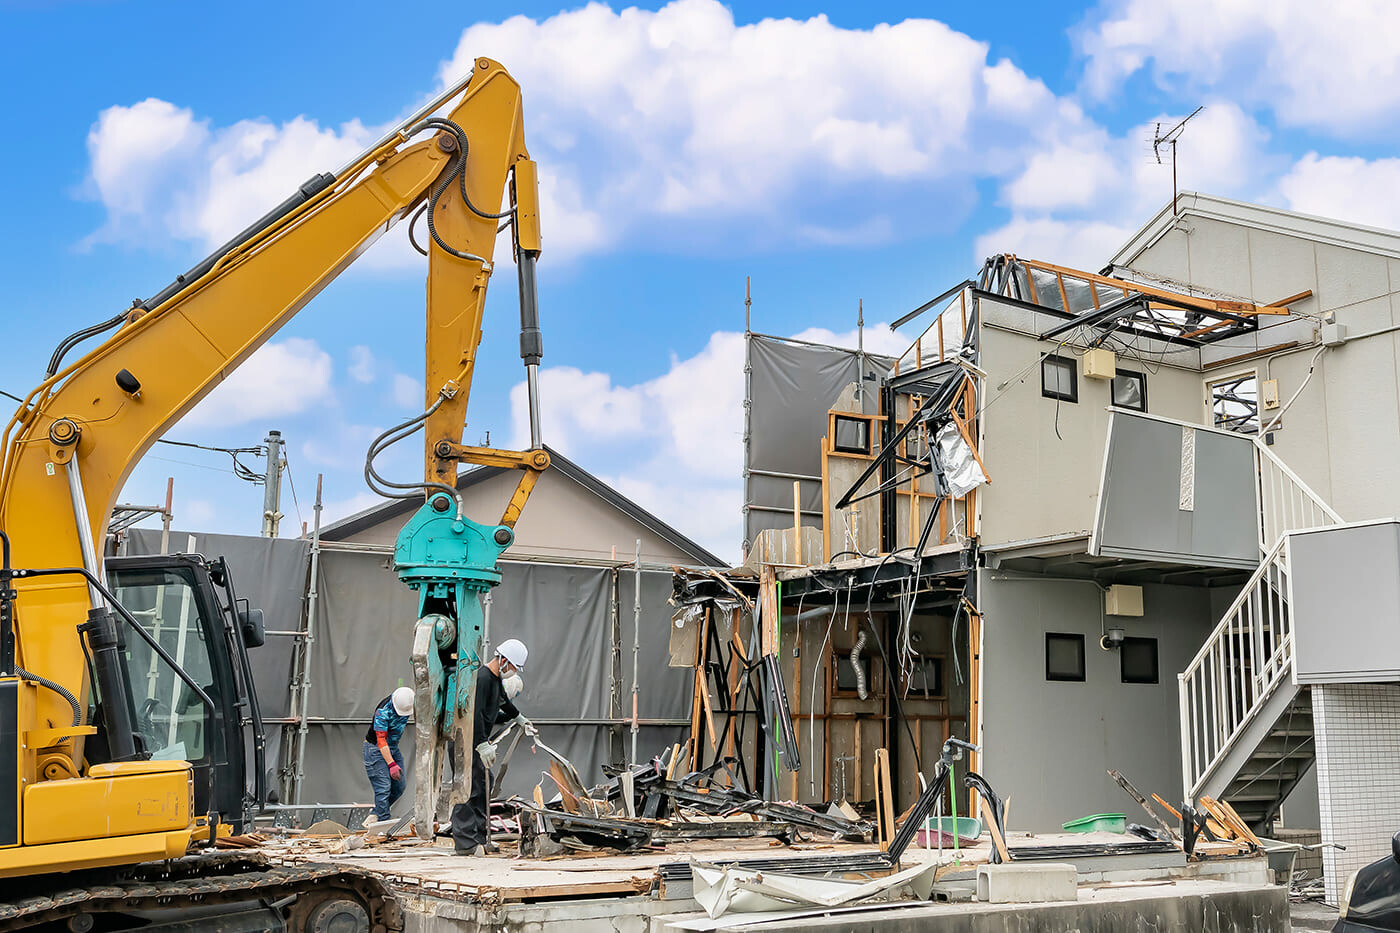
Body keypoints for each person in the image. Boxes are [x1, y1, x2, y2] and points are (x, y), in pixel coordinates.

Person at [452, 638, 531, 855]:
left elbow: (504, 702)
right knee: (467, 788)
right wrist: (481, 744)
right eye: (514, 666)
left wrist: (520, 718)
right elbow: (474, 714)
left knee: (484, 784)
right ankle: (466, 843)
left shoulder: (494, 680)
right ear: (503, 660)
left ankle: (479, 836)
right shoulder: (483, 678)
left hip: (475, 742)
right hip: (465, 743)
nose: (514, 671)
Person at [363, 686, 414, 822]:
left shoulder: (409, 700)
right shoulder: (383, 711)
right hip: (375, 749)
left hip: (392, 747)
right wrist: (391, 764)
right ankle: (383, 822)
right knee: (383, 788)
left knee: (399, 786)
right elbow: (381, 740)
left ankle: (376, 813)